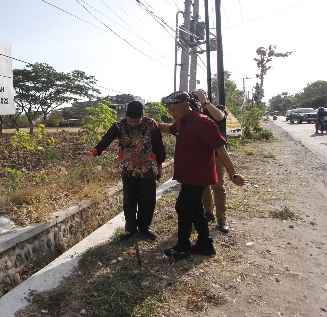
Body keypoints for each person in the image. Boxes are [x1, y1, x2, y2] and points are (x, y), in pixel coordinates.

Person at [158, 92, 246, 261]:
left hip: (198, 175)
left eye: (174, 109)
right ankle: (205, 245)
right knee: (196, 209)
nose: (172, 113)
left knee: (182, 207)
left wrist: (233, 174)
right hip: (188, 174)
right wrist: (151, 124)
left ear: (186, 105)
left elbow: (220, 148)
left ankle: (183, 248)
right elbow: (169, 128)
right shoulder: (182, 122)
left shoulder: (203, 122)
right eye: (170, 110)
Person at [83, 101, 166, 241]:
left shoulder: (151, 124)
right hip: (128, 168)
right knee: (130, 200)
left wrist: (159, 163)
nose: (134, 124)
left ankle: (145, 227)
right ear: (126, 115)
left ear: (142, 116)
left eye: (137, 121)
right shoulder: (119, 125)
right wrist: (94, 152)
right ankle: (130, 229)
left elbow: (158, 145)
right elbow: (107, 139)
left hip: (148, 168)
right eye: (131, 120)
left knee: (148, 199)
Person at [193, 89, 230, 233]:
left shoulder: (217, 108)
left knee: (218, 186)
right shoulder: (195, 112)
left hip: (217, 154)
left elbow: (219, 117)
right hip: (201, 154)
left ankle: (222, 217)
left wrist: (205, 102)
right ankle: (208, 212)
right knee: (204, 186)